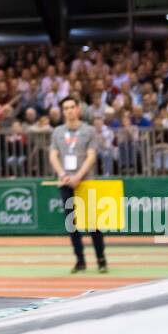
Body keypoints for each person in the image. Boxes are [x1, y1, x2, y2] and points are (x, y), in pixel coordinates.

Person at [48, 96, 107, 274]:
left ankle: (101, 259)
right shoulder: (57, 132)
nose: (69, 110)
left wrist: (79, 176)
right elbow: (53, 155)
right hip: (65, 182)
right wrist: (63, 174)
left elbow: (91, 156)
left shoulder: (88, 131)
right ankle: (80, 260)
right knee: (71, 223)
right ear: (63, 111)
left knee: (92, 223)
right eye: (66, 108)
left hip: (86, 182)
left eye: (72, 107)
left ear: (78, 109)